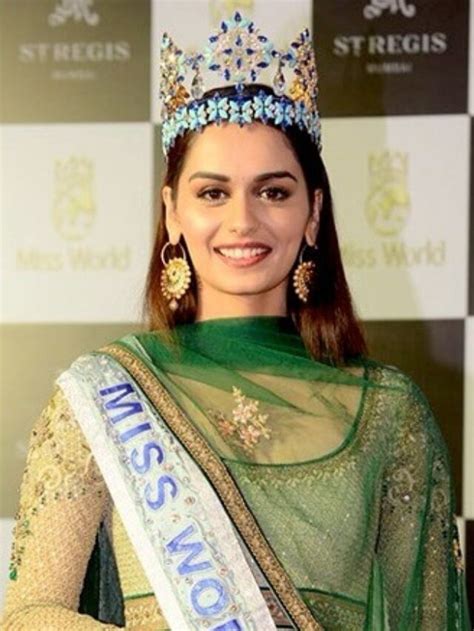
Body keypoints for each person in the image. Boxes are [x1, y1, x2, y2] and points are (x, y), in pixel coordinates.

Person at [1, 12, 471, 631]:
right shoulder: (107, 394)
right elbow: (29, 615)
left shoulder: (388, 412)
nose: (243, 221)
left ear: (313, 213)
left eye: (273, 192)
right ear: (173, 212)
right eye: (213, 193)